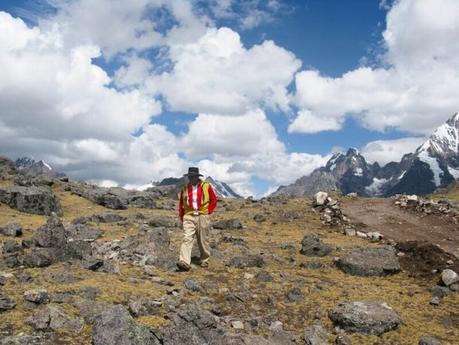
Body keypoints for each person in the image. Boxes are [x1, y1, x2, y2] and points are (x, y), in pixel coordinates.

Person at [177, 167, 218, 271]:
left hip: (202, 215)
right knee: (187, 237)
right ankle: (184, 261)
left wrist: (208, 212)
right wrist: (183, 217)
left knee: (203, 239)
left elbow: (214, 200)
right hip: (189, 215)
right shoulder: (184, 188)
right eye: (190, 177)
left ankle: (204, 259)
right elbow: (181, 204)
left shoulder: (206, 186)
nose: (191, 179)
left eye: (193, 176)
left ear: (197, 177)